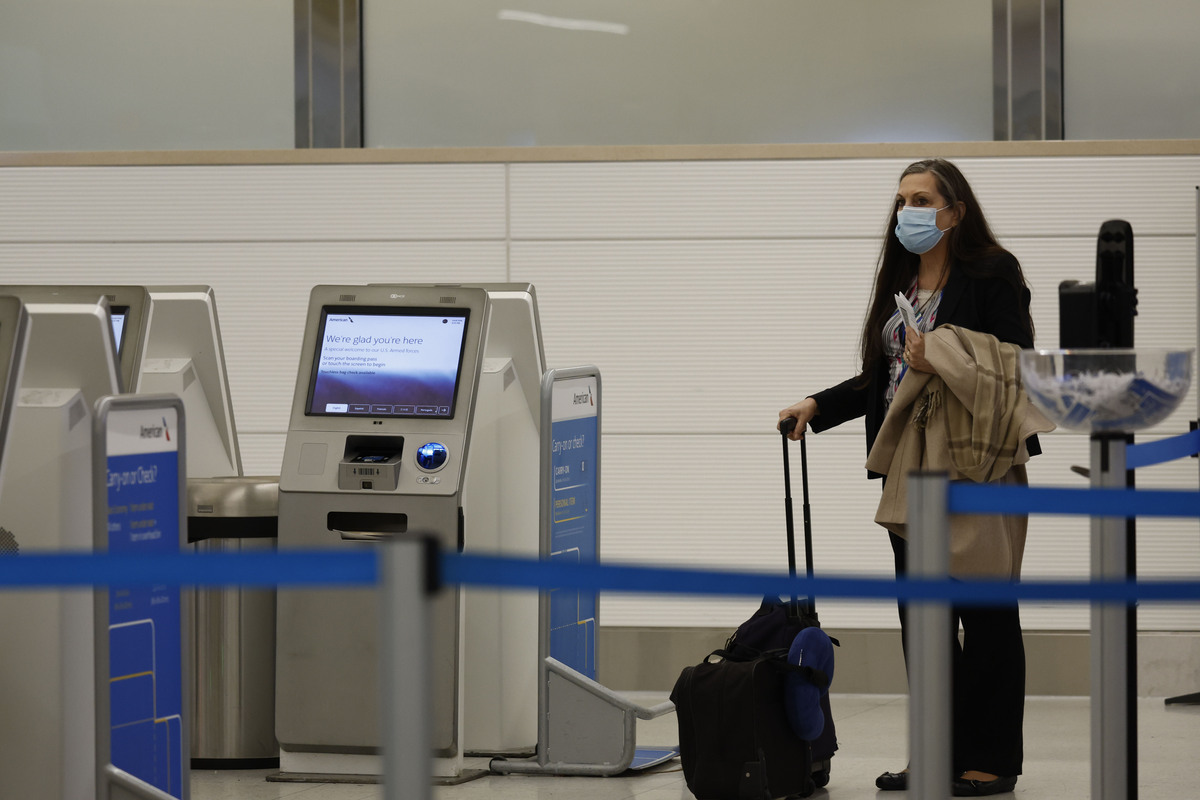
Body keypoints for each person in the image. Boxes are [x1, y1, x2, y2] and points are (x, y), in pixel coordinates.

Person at [778, 158, 1038, 798]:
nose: (907, 213)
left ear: (956, 210)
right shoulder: (901, 278)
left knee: (986, 615)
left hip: (976, 464)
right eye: (901, 200)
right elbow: (885, 378)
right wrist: (820, 406)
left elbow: (1016, 367)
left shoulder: (992, 273)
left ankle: (991, 760)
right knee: (921, 620)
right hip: (910, 470)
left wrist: (941, 352)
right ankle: (938, 750)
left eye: (922, 199)